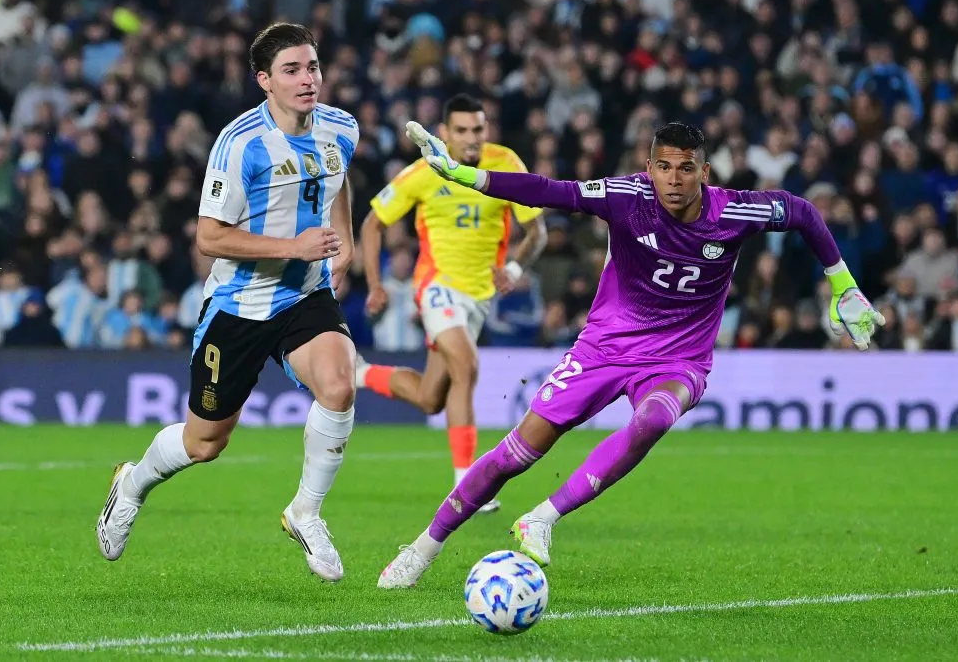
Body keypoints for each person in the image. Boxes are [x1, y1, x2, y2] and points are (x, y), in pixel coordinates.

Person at [377, 120, 885, 588]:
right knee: (516, 453)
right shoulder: (627, 196)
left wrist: (843, 284)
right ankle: (424, 547)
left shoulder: (734, 210)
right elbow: (549, 191)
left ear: (704, 172)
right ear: (649, 169)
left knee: (653, 420)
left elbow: (804, 212)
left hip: (679, 359)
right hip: (604, 347)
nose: (674, 179)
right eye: (663, 166)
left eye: (687, 168)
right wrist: (464, 174)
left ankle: (542, 518)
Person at [96, 23, 361, 582]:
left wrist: (346, 234)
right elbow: (209, 237)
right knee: (204, 442)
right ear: (264, 80)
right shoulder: (240, 144)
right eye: (291, 70)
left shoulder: (342, 127)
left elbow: (339, 181)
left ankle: (305, 513)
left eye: (312, 66)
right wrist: (292, 244)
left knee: (340, 385)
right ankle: (134, 480)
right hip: (239, 305)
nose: (307, 79)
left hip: (304, 293)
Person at [358, 94, 547, 509]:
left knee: (431, 398)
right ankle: (468, 485)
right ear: (444, 133)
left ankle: (361, 373)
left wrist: (513, 270)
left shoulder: (506, 162)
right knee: (467, 365)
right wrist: (375, 283)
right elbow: (373, 224)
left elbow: (537, 232)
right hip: (437, 286)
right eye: (460, 130)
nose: (471, 138)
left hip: (479, 298)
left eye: (477, 129)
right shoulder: (425, 172)